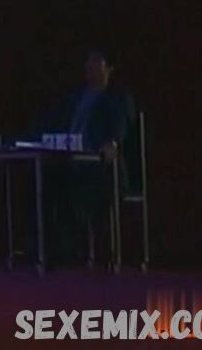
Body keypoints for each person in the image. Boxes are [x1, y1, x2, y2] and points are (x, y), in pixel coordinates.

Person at [35, 51, 136, 270]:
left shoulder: (118, 98)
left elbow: (119, 126)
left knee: (81, 192)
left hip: (100, 167)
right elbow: (49, 124)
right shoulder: (73, 98)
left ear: (109, 69)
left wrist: (112, 143)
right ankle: (49, 252)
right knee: (44, 182)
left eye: (96, 63)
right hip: (69, 163)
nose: (90, 67)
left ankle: (85, 253)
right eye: (88, 63)